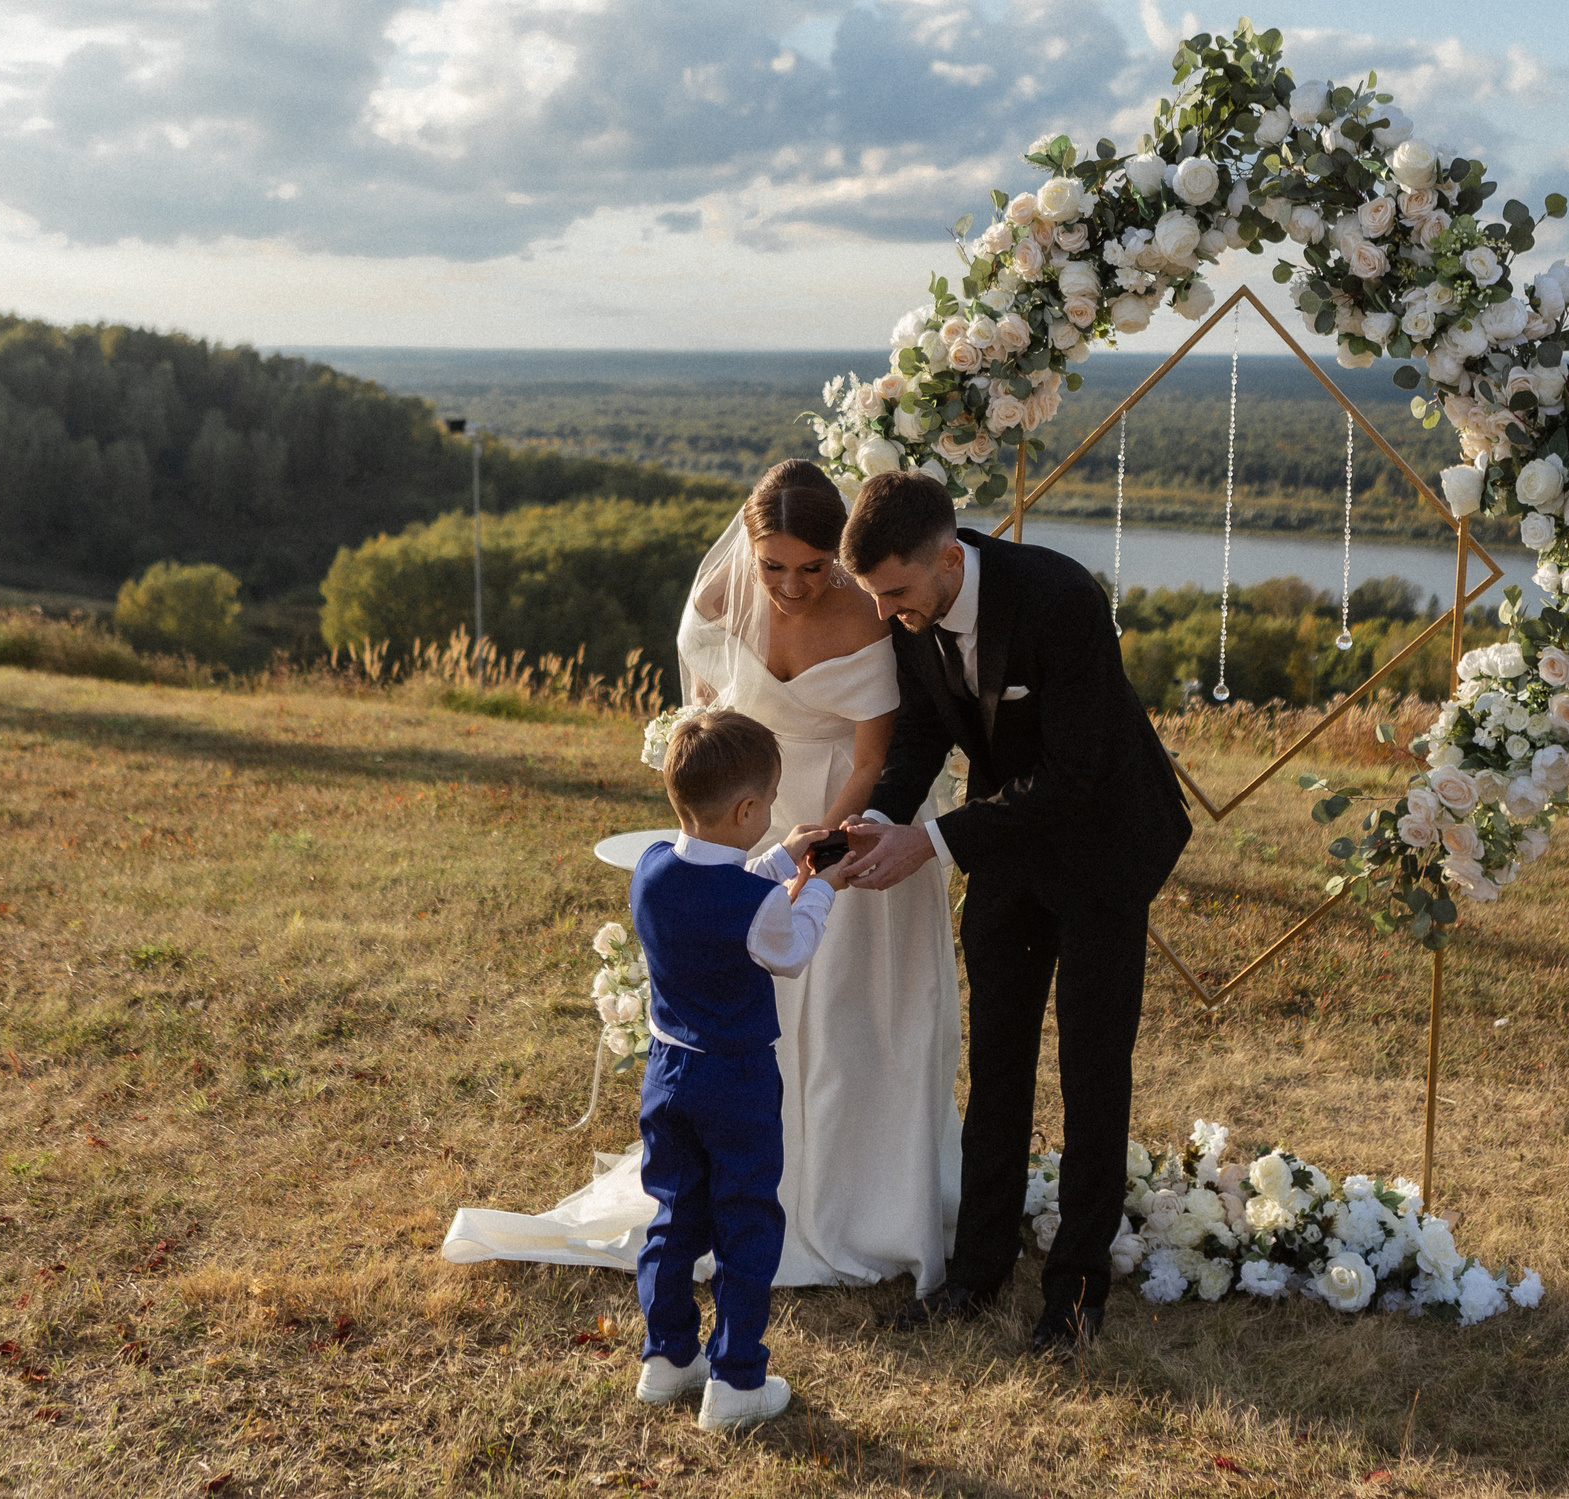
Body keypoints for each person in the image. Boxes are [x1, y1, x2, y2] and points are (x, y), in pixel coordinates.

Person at [443, 462, 961, 1294]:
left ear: (837, 555)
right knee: (756, 1016)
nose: (791, 585)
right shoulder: (723, 591)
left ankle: (862, 1202)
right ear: (750, 552)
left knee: (853, 1013)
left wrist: (826, 848)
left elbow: (876, 756)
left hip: (842, 811)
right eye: (773, 566)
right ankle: (750, 1185)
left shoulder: (871, 615)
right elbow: (708, 699)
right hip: (748, 813)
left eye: (811, 566)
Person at [835, 470, 1192, 1358]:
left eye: (896, 593)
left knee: (1091, 1067)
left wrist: (935, 843)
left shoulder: (1062, 598)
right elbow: (921, 731)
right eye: (873, 595)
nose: (882, 614)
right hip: (1003, 847)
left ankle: (1075, 1294)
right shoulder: (908, 615)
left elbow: (1075, 775)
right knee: (995, 1060)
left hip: (1104, 845)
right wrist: (878, 821)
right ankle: (976, 1273)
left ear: (948, 561)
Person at [630, 708, 854, 1432]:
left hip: (668, 1072)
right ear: (748, 808)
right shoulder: (758, 904)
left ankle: (666, 1359)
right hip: (736, 1081)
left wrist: (783, 859)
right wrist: (820, 883)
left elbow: (719, 893)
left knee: (674, 1213)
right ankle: (735, 1380)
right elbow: (786, 947)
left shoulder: (652, 869)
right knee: (746, 1221)